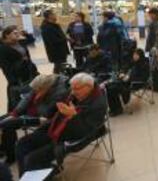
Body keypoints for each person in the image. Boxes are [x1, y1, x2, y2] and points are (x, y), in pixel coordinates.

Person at [16, 73, 107, 176]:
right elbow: (51, 112)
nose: (73, 92)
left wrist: (73, 116)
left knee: (32, 159)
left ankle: (47, 172)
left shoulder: (98, 105)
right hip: (55, 128)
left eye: (77, 88)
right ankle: (28, 177)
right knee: (22, 144)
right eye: (72, 88)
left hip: (70, 138)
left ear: (89, 87)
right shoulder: (73, 94)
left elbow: (84, 132)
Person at [0, 74, 69, 161]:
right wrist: (16, 111)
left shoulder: (59, 93)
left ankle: (11, 156)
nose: (34, 91)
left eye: (37, 90)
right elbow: (27, 98)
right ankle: (5, 148)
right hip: (27, 112)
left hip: (40, 118)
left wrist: (38, 100)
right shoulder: (41, 85)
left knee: (7, 124)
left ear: (46, 88)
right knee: (3, 120)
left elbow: (47, 113)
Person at [0, 26, 39, 163]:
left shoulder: (20, 43)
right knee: (12, 116)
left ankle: (6, 147)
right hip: (17, 86)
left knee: (14, 115)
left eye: (17, 32)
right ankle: (9, 152)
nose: (17, 34)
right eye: (13, 33)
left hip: (29, 81)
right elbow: (7, 70)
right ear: (5, 36)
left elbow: (31, 41)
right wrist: (16, 80)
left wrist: (26, 34)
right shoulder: (3, 49)